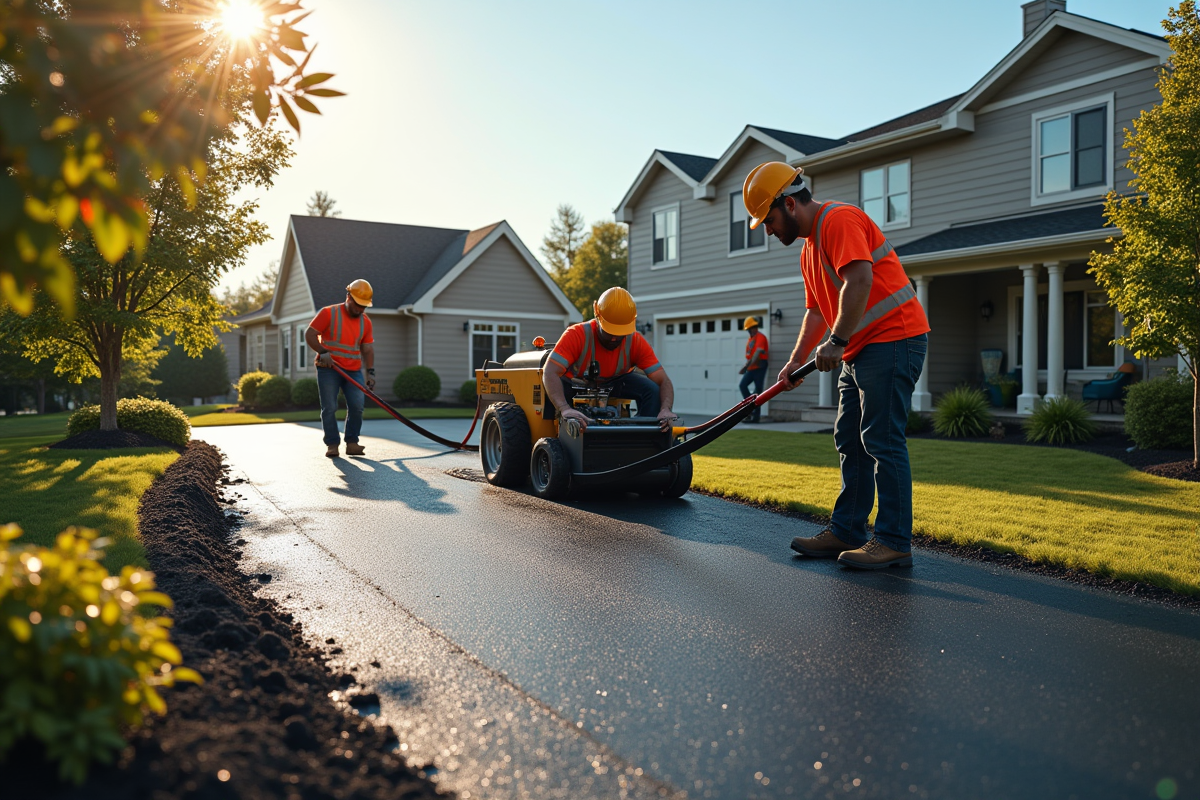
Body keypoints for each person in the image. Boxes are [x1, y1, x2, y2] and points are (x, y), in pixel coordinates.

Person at [743, 162, 929, 569]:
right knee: (849, 439)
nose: (770, 231)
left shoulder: (839, 219)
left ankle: (894, 541)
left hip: (894, 338)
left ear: (790, 204)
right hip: (859, 348)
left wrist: (837, 341)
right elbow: (815, 313)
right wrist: (794, 361)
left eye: (770, 221)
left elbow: (859, 280)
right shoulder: (809, 250)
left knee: (882, 440)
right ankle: (847, 529)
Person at [543, 287, 677, 433]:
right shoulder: (576, 335)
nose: (614, 338)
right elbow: (550, 372)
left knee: (652, 390)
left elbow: (664, 381)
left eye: (620, 334)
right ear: (598, 316)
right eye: (609, 332)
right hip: (574, 386)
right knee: (554, 393)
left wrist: (665, 409)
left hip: (615, 384)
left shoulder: (636, 341)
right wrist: (564, 409)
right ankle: (558, 435)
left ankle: (644, 436)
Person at [305, 279, 376, 458]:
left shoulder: (365, 322)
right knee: (329, 407)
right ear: (348, 297)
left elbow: (367, 349)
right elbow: (310, 334)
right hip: (329, 369)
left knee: (357, 406)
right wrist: (323, 351)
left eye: (364, 307)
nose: (360, 309)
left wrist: (371, 372)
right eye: (358, 305)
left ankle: (352, 443)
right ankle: (332, 444)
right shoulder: (328, 313)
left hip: (353, 371)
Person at [738, 316, 769, 423]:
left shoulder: (760, 337)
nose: (748, 331)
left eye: (749, 329)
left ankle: (755, 417)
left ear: (753, 328)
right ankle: (750, 409)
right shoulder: (751, 339)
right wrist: (747, 366)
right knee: (742, 385)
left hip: (759, 367)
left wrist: (746, 367)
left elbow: (757, 354)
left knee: (758, 392)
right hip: (752, 367)